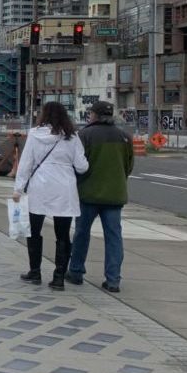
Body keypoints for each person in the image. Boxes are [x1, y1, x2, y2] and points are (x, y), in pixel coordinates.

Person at [13, 101, 89, 290]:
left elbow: (26, 163)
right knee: (62, 234)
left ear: (43, 115)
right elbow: (82, 166)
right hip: (64, 188)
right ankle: (58, 278)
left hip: (40, 186)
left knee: (34, 231)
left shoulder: (35, 134)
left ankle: (35, 271)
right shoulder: (72, 137)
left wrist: (18, 188)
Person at [67, 100, 134, 293]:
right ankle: (113, 279)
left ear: (93, 115)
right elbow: (128, 166)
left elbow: (78, 165)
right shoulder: (125, 137)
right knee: (114, 237)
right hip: (115, 195)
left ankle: (76, 271)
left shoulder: (84, 135)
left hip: (88, 194)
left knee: (81, 233)